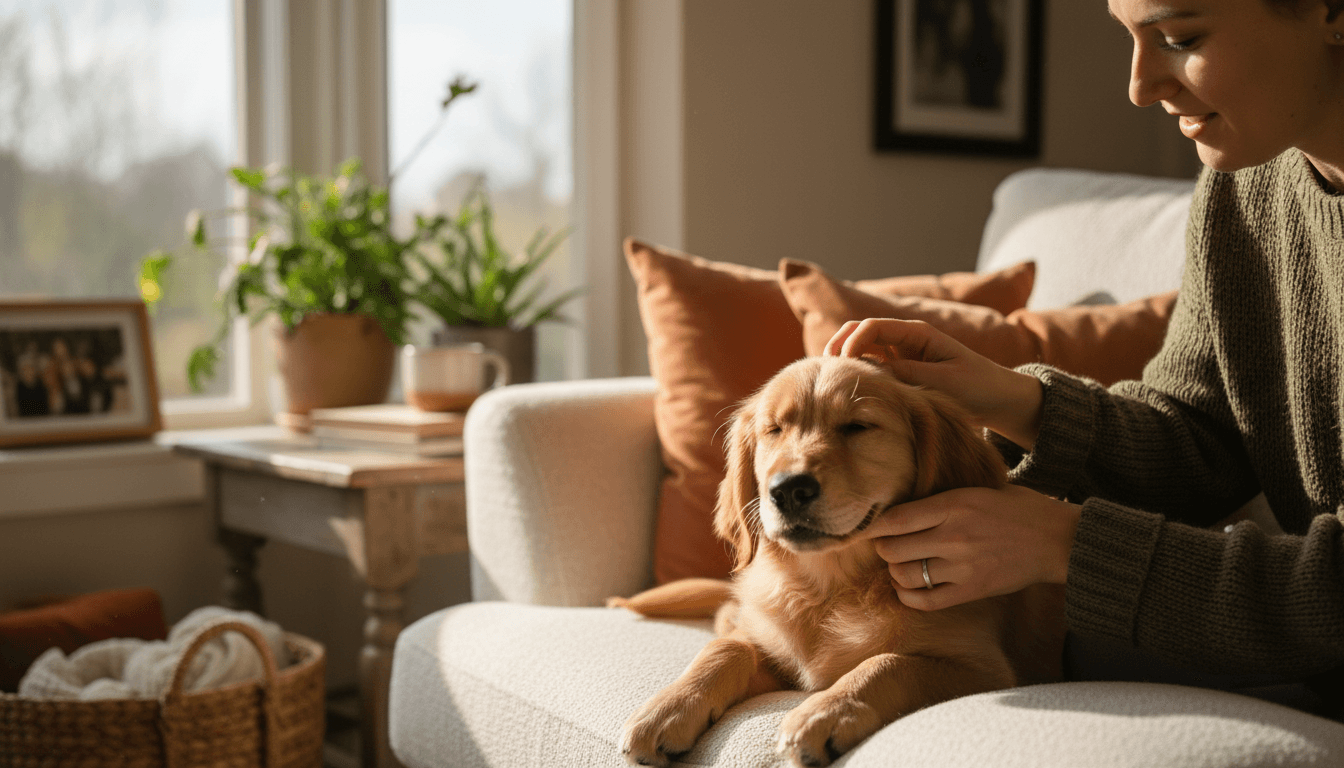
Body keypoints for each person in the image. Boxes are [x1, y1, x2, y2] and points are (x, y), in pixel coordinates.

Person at [826, 0, 1344, 710]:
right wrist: (1012, 400)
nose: (1138, 85)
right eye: (1129, 39)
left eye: (1178, 37)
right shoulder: (1244, 189)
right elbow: (1202, 439)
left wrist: (1067, 544)